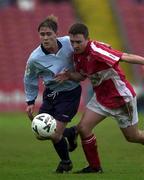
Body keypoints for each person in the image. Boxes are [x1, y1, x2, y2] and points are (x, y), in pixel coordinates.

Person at [55, 22, 144, 173]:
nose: (75, 45)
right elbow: (81, 76)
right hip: (101, 97)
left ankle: (74, 136)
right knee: (84, 128)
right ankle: (95, 167)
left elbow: (124, 56)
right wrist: (69, 75)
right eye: (72, 42)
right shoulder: (77, 55)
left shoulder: (96, 51)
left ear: (87, 39)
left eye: (78, 42)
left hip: (120, 98)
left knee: (133, 136)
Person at [23, 15, 82, 173]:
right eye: (42, 34)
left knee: (55, 134)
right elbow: (30, 79)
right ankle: (71, 132)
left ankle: (66, 163)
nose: (45, 37)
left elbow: (87, 45)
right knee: (40, 133)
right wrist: (30, 101)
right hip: (50, 94)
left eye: (49, 34)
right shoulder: (35, 58)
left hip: (70, 93)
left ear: (56, 34)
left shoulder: (69, 43)